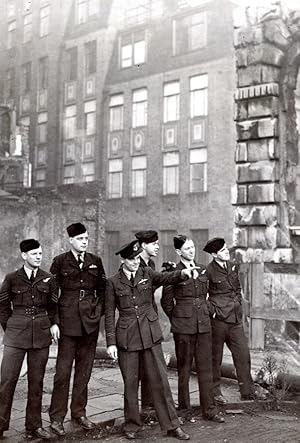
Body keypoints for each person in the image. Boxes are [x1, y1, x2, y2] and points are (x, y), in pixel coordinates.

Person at [105, 239, 197, 440]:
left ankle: (172, 425)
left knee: (161, 382)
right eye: (131, 259)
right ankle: (132, 424)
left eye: (138, 258)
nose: (136, 262)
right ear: (123, 260)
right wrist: (111, 343)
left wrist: (182, 273)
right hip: (127, 338)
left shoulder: (146, 273)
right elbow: (110, 314)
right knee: (130, 383)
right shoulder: (113, 282)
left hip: (150, 334)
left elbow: (165, 278)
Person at [49, 222, 106, 436]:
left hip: (89, 323)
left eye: (86, 238)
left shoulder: (95, 261)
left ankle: (79, 413)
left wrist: (97, 313)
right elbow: (52, 294)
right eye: (80, 239)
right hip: (67, 322)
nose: (84, 242)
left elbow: (103, 291)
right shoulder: (60, 261)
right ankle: (56, 418)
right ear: (71, 240)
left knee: (84, 371)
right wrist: (54, 322)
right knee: (62, 373)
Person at [0, 239, 59, 440]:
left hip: (41, 334)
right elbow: (2, 307)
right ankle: (0, 425)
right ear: (24, 255)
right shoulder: (11, 278)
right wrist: (11, 328)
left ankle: (33, 426)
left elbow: (53, 306)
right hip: (15, 334)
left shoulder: (48, 278)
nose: (38, 257)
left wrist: (53, 323)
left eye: (40, 254)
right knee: (7, 381)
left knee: (37, 382)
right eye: (34, 254)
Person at [161, 235, 224, 422]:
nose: (192, 250)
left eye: (193, 247)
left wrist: (209, 311)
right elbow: (166, 302)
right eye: (187, 248)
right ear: (178, 252)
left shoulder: (203, 270)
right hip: (183, 328)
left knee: (206, 368)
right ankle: (184, 411)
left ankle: (210, 410)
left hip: (203, 325)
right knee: (184, 370)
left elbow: (211, 295)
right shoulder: (173, 272)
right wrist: (179, 318)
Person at [203, 237, 264, 404]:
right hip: (218, 322)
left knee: (243, 355)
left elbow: (238, 289)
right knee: (216, 358)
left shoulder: (233, 267)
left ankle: (247, 391)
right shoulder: (208, 271)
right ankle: (215, 393)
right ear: (214, 254)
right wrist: (214, 312)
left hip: (235, 320)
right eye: (222, 251)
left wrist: (237, 302)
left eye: (226, 249)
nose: (226, 253)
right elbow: (202, 298)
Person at [134, 230, 159, 412]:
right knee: (140, 365)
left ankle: (149, 402)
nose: (157, 246)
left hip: (149, 316)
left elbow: (151, 286)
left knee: (150, 362)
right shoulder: (135, 264)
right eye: (154, 244)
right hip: (138, 319)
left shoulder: (150, 263)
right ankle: (141, 406)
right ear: (143, 246)